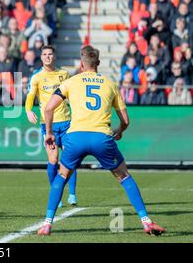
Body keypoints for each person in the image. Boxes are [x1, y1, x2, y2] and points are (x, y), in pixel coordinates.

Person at [38, 45, 165, 236]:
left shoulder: (71, 82)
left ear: (81, 64)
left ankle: (47, 224)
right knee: (123, 175)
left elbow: (48, 109)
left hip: (76, 137)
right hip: (101, 137)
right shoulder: (110, 84)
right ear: (98, 63)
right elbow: (126, 120)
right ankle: (146, 221)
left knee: (62, 175)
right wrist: (119, 130)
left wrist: (48, 132)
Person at [25, 46, 78, 208]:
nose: (48, 57)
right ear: (41, 58)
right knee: (53, 160)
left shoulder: (64, 74)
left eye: (50, 54)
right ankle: (57, 194)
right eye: (45, 54)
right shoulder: (36, 77)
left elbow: (72, 96)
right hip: (48, 124)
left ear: (55, 56)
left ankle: (72, 194)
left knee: (70, 158)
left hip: (67, 122)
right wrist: (28, 110)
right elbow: (30, 97)